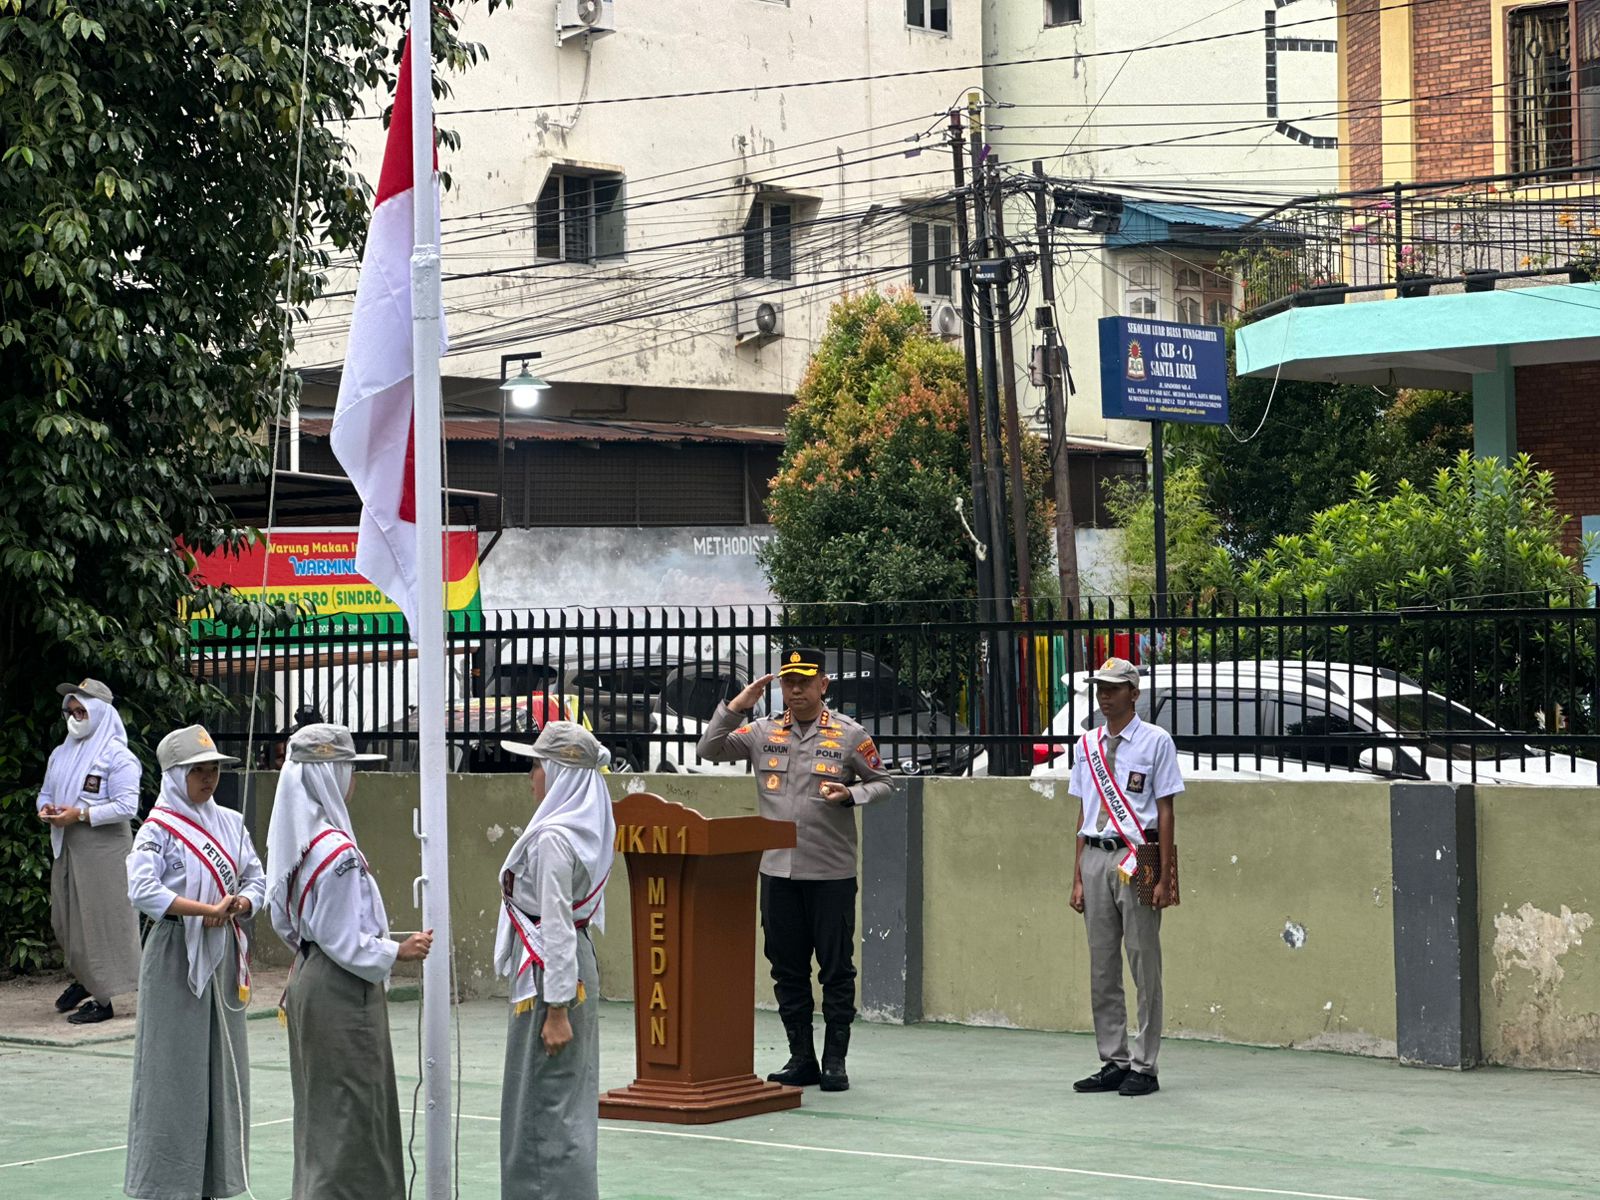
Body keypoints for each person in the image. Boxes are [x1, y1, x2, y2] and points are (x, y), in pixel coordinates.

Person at [695, 646, 893, 1092]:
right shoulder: (763, 731)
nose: (796, 689)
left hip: (830, 873)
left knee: (836, 969)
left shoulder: (849, 734)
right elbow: (709, 749)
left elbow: (883, 783)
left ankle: (835, 1061)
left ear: (824, 684)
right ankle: (801, 1056)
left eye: (805, 681)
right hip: (778, 872)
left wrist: (852, 796)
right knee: (786, 969)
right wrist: (735, 706)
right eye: (789, 681)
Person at [264, 722, 432, 1200]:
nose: (354, 780)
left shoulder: (301, 842)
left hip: (311, 974)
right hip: (341, 987)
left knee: (326, 1111)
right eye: (349, 770)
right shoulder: (334, 851)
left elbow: (285, 919)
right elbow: (344, 939)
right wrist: (397, 950)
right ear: (329, 777)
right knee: (351, 1111)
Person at [125, 724, 266, 1200]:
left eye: (213, 770)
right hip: (173, 952)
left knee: (224, 1067)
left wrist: (241, 905)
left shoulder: (230, 821)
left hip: (223, 949)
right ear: (173, 776)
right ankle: (167, 1184)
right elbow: (143, 890)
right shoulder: (156, 830)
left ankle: (216, 1182)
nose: (209, 779)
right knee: (172, 1069)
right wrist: (205, 910)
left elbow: (255, 878)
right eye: (198, 771)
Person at [494, 721, 614, 1200]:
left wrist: (558, 1007)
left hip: (551, 975)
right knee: (562, 1100)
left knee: (544, 1101)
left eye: (538, 765)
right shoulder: (583, 828)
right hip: (568, 964)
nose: (531, 775)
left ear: (559, 773)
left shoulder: (552, 838)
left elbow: (556, 925)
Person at [1066, 658, 1182, 1098]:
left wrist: (1164, 875)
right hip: (1096, 855)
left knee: (1143, 962)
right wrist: (1076, 874)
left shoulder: (1156, 741)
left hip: (1138, 855)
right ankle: (1112, 1059)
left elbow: (1167, 809)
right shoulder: (1087, 744)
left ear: (1134, 693)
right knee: (1102, 967)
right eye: (1100, 687)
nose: (1104, 694)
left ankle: (1145, 1065)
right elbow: (1083, 810)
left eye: (1114, 688)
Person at [36, 677, 142, 1024]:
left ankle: (104, 999)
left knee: (101, 924)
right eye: (71, 710)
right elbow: (46, 792)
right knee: (65, 921)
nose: (75, 716)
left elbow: (127, 806)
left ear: (100, 713)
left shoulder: (118, 757)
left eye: (82, 710)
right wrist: (47, 809)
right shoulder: (62, 753)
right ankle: (86, 979)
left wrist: (79, 814)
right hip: (67, 845)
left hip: (103, 850)